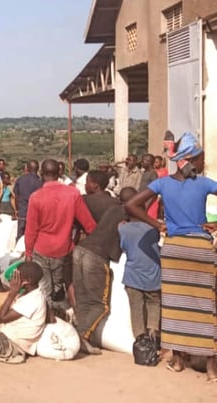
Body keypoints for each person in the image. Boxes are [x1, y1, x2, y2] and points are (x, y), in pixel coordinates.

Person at [124, 132, 217, 378]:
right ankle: (211, 368)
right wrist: (216, 225)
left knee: (175, 307)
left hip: (174, 250)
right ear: (190, 160)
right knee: (206, 306)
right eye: (199, 159)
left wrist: (158, 224)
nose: (201, 163)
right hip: (201, 249)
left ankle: (177, 361)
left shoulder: (162, 184)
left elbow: (131, 205)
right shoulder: (205, 183)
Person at [72, 187, 135, 354]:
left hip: (80, 251)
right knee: (100, 305)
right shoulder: (130, 216)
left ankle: (84, 335)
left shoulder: (113, 209)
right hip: (97, 256)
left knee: (83, 300)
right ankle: (82, 336)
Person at [25, 159, 96, 305]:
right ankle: (63, 316)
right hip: (64, 249)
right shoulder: (73, 193)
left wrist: (28, 253)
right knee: (62, 285)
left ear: (41, 174)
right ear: (59, 173)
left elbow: (31, 229)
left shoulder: (36, 197)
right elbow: (88, 224)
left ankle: (47, 316)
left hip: (41, 248)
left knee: (43, 289)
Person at [118, 202, 161, 341]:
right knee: (154, 303)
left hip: (133, 277)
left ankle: (140, 339)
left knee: (136, 308)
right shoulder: (154, 229)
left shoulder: (123, 229)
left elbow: (123, 247)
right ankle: (153, 331)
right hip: (153, 276)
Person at [13, 160, 42, 239]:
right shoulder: (39, 182)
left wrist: (16, 210)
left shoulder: (20, 180)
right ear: (37, 169)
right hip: (35, 212)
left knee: (20, 233)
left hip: (22, 211)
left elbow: (16, 196)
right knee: (33, 234)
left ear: (27, 168)